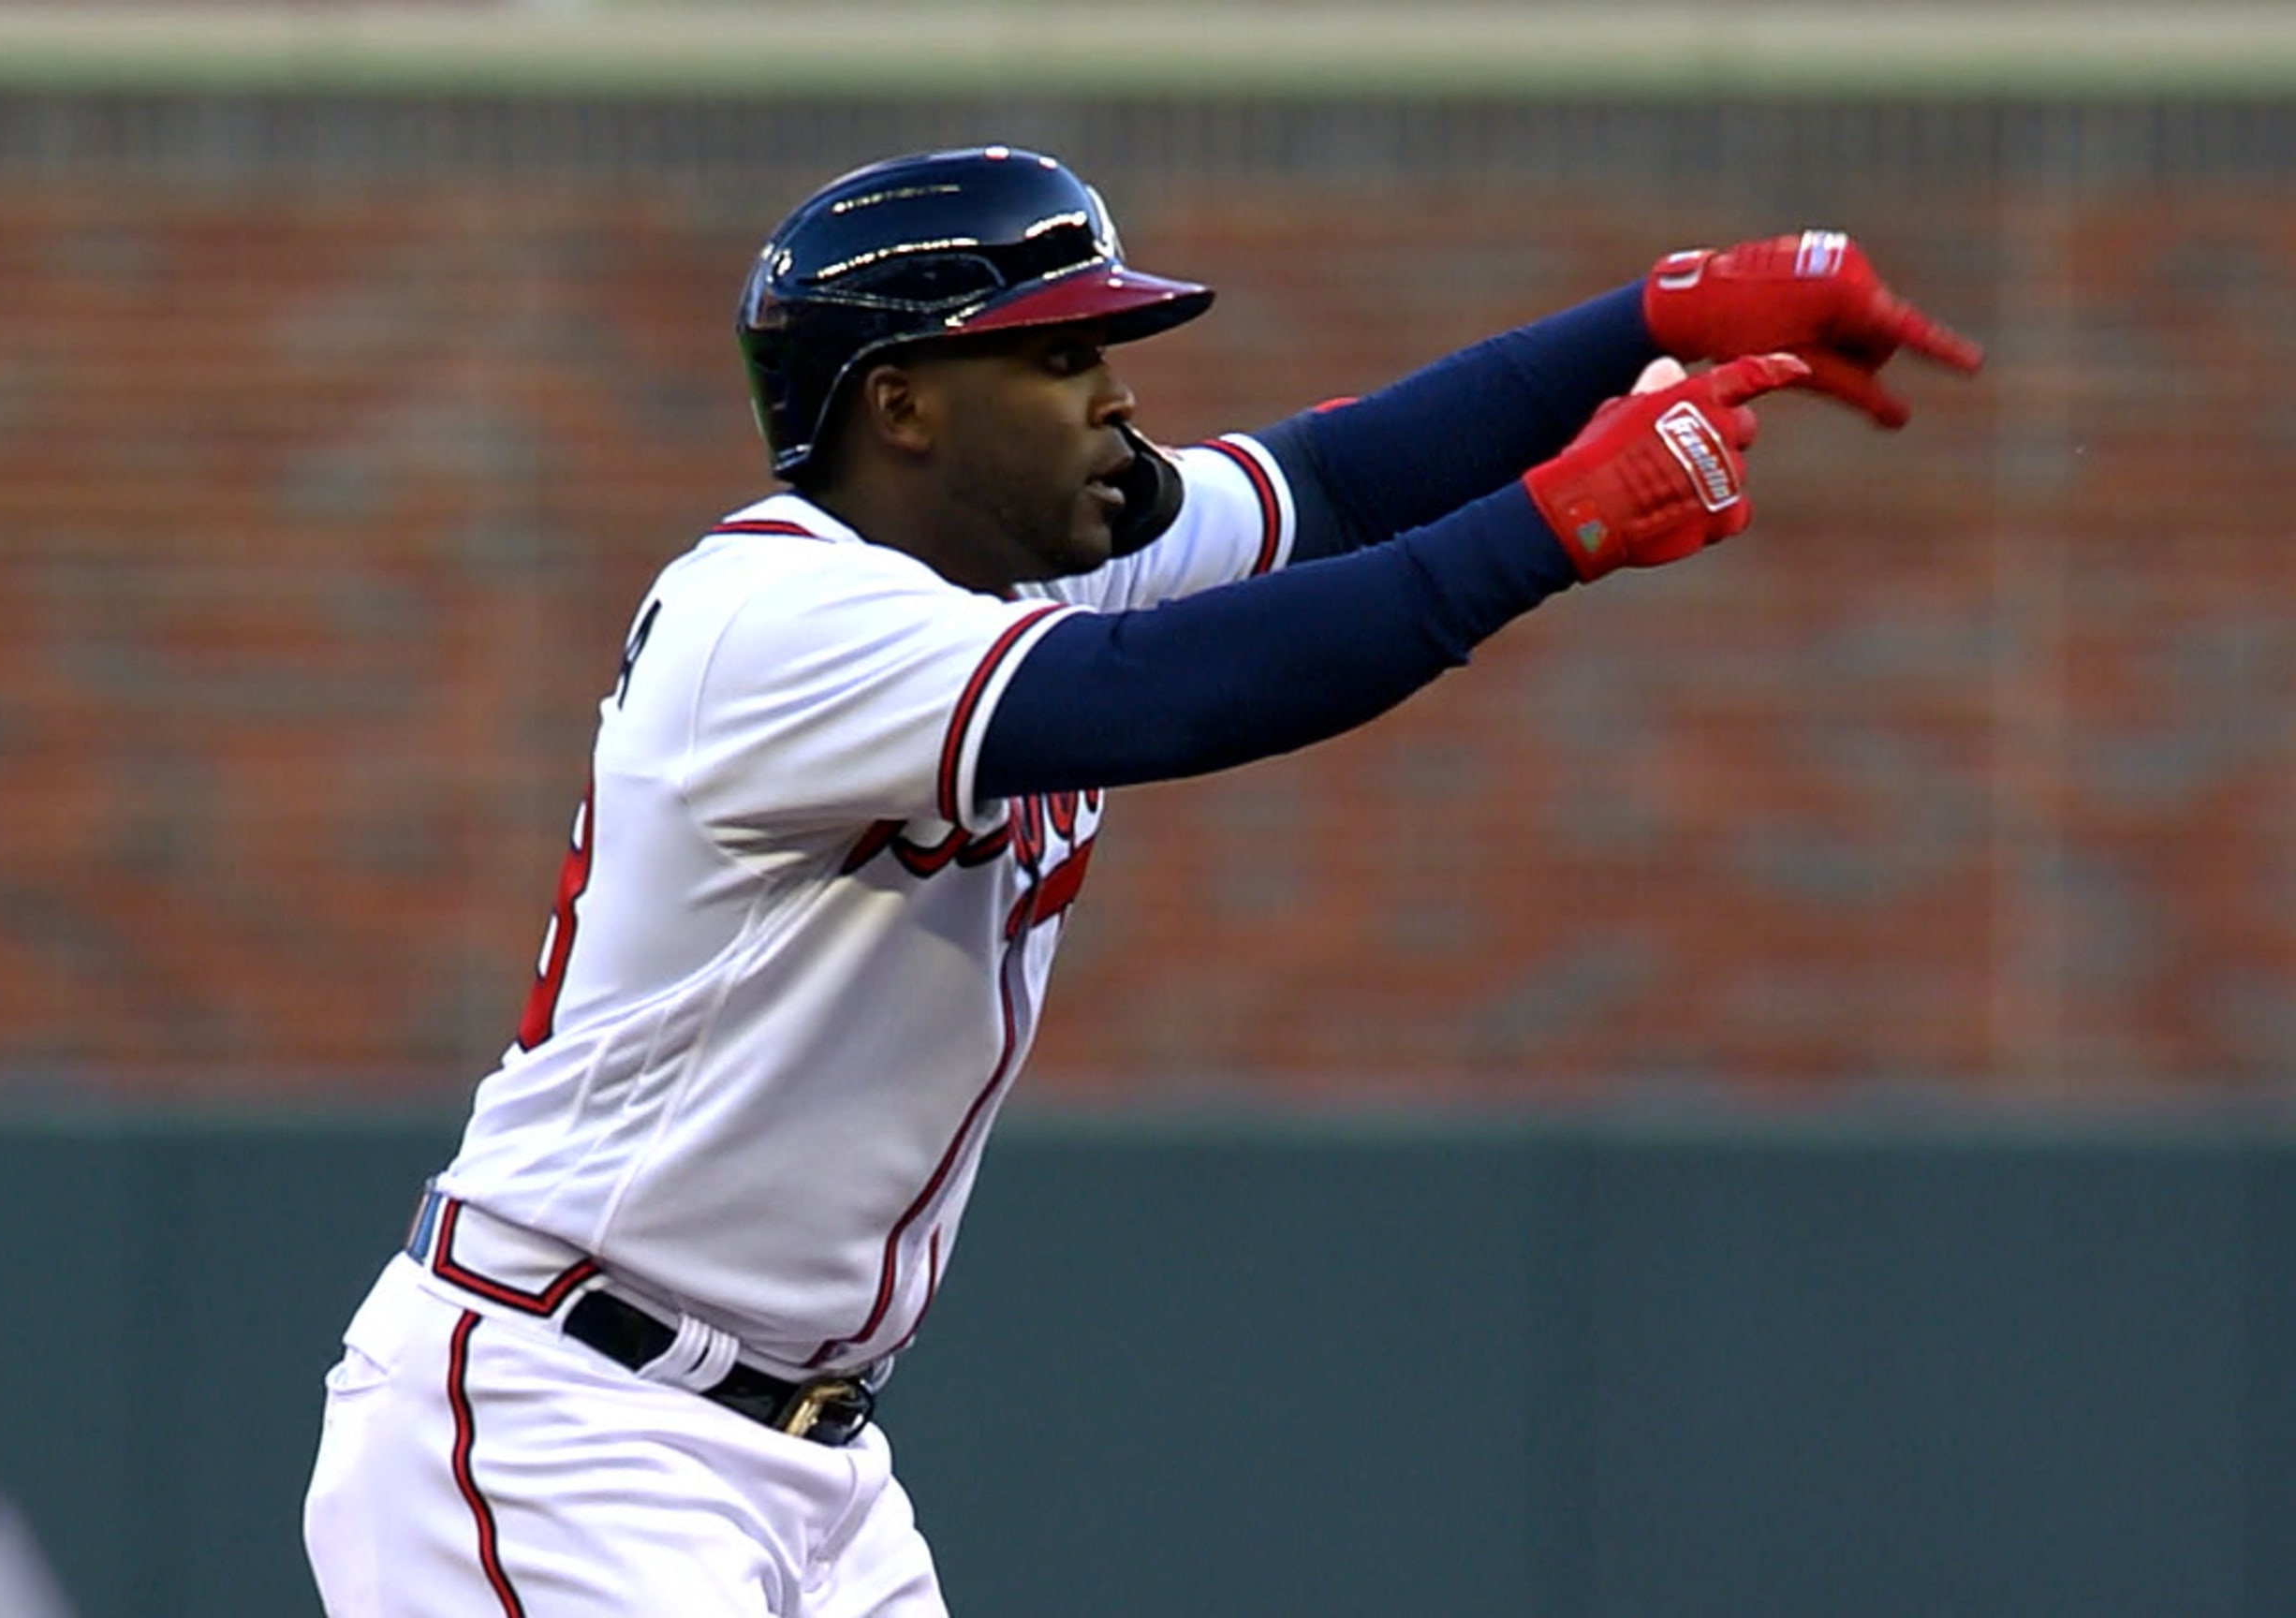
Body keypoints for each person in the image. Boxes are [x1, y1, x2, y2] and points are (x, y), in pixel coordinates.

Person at [301, 145, 1980, 1616]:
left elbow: (1334, 483)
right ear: (902, 404)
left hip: (801, 1458)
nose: (1117, 397)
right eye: (1059, 358)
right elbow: (1179, 695)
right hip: (562, 1419)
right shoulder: (772, 620)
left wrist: (1652, 317)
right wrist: (1559, 522)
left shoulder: (1017, 574)